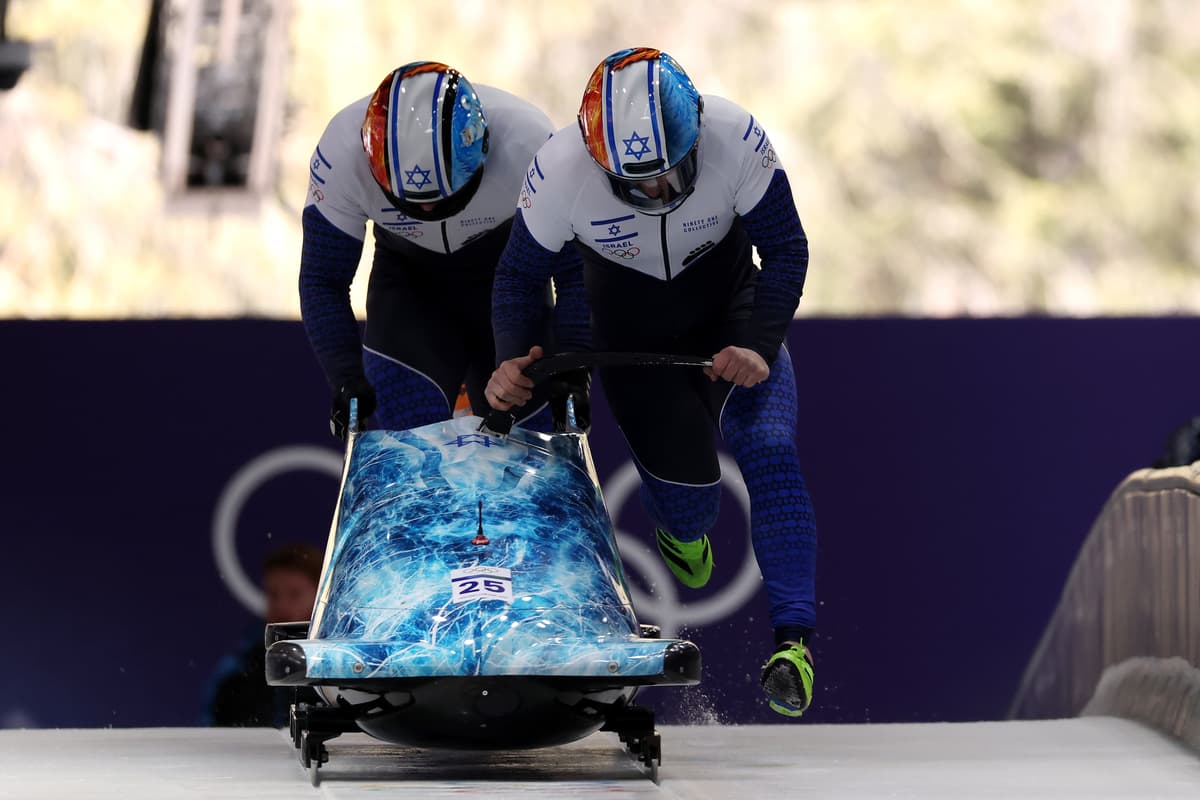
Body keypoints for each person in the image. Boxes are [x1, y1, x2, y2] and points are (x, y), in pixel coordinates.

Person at [486, 48, 818, 717]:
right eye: (636, 183)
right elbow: (521, 278)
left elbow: (785, 248)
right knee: (693, 503)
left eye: (670, 172)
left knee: (771, 448)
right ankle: (682, 529)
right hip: (635, 350)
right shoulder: (558, 171)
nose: (658, 190)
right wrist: (513, 359)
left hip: (731, 318)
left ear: (695, 134)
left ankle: (794, 644)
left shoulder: (735, 136)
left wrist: (757, 344)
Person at [300, 61, 564, 439]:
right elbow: (323, 278)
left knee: (523, 451)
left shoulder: (528, 141)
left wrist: (574, 370)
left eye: (443, 199)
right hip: (411, 292)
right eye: (412, 202)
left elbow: (572, 270)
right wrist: (345, 377)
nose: (427, 211)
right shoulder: (342, 151)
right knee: (414, 449)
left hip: (509, 287)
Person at [205, 543, 323, 727]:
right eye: (273, 594)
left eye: (295, 594)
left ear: (321, 595)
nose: (282, 606)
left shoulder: (342, 670)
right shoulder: (238, 671)